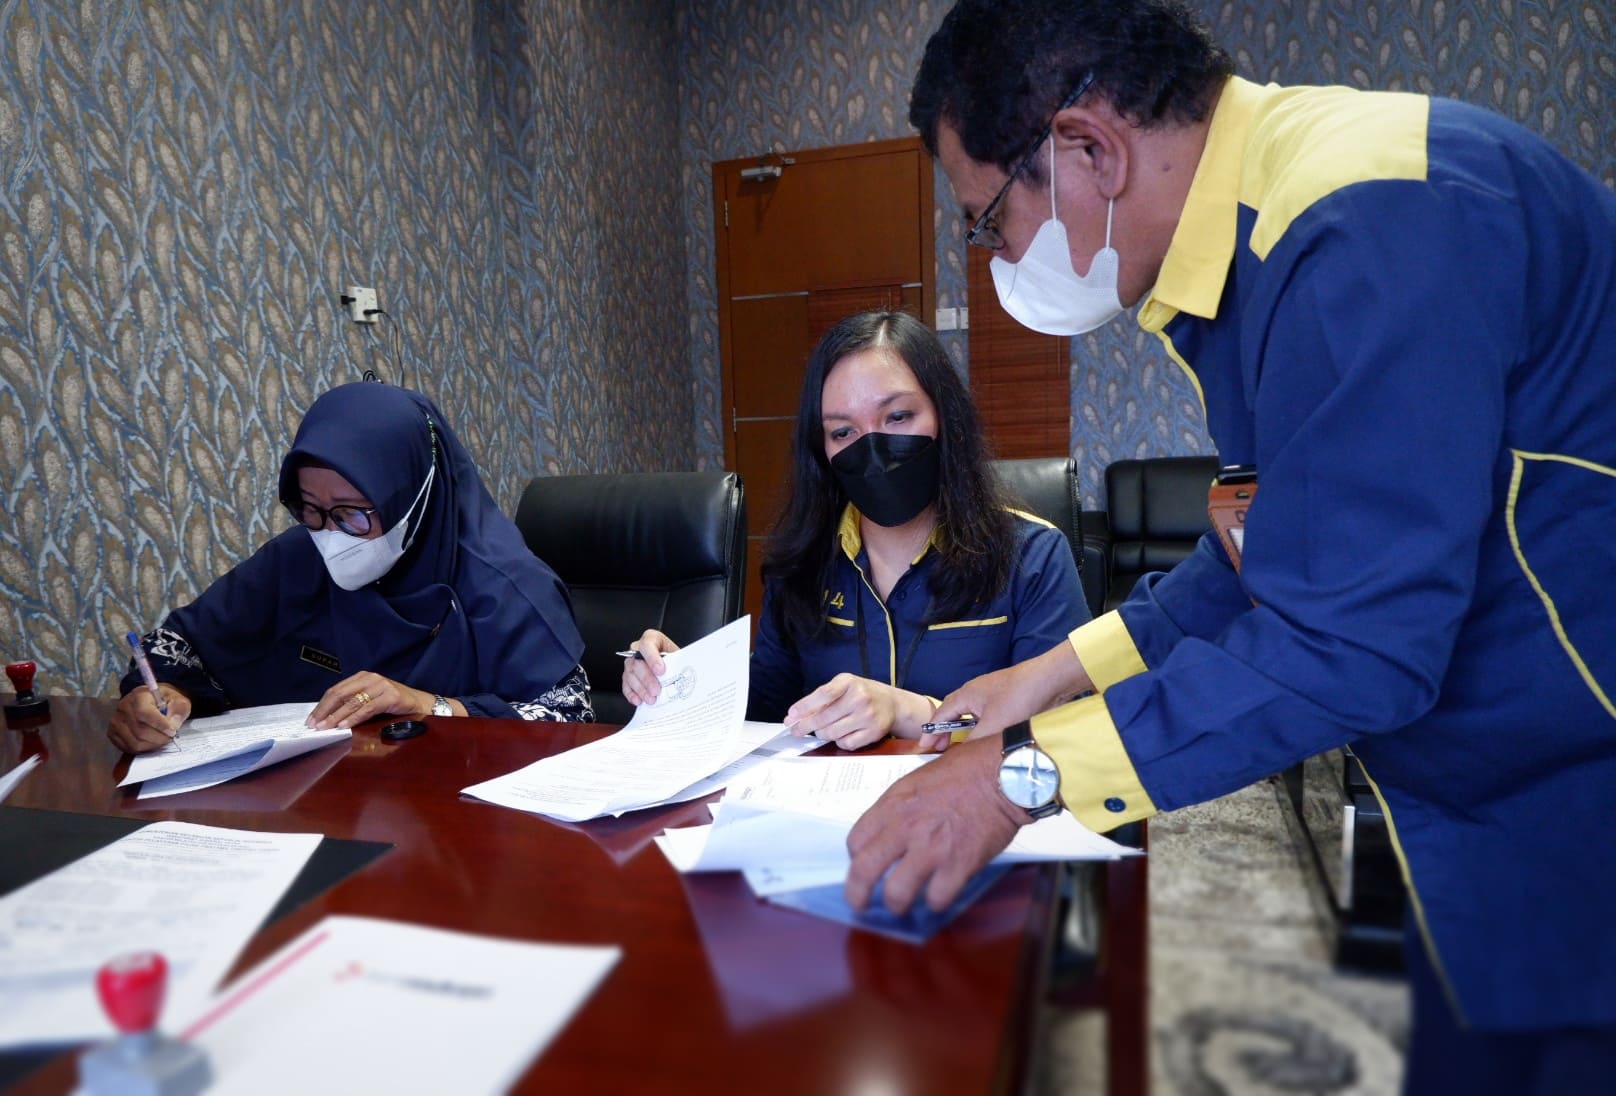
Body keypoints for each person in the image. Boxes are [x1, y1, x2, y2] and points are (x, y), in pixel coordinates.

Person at [844, 1, 1616, 1089]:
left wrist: (1020, 777)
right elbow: (1274, 542)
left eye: (988, 222)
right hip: (1470, 801)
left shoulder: (1363, 222)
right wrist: (1052, 672)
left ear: (1088, 149)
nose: (999, 256)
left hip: (1571, 800)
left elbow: (1347, 640)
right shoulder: (1253, 248)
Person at [622, 309, 1089, 748]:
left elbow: (1064, 725)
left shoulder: (1032, 555)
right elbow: (767, 708)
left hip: (978, 800)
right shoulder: (802, 562)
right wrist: (680, 682)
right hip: (829, 804)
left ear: (945, 418)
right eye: (843, 432)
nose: (873, 448)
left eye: (898, 417)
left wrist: (910, 713)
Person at [107, 382, 592, 752]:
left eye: (354, 513)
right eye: (310, 509)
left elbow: (570, 719)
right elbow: (177, 644)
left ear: (415, 497)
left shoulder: (507, 587)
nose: (330, 535)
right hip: (317, 802)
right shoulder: (298, 556)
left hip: (456, 819)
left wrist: (429, 704)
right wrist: (159, 692)